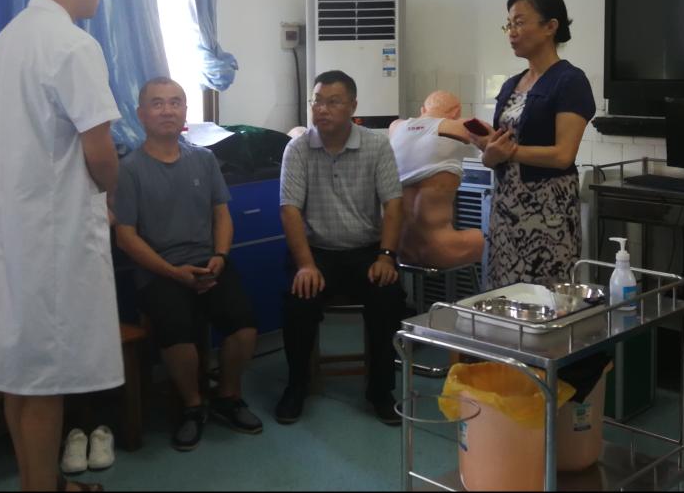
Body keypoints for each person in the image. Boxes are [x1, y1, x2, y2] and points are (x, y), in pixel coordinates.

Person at [0, 0, 120, 492]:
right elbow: (100, 151)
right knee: (45, 380)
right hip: (52, 238)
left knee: (20, 374)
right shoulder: (73, 45)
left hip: (13, 233)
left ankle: (42, 484)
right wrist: (111, 194)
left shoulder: (7, 40)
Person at [115, 77, 262, 451]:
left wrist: (220, 257)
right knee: (177, 333)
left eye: (175, 102)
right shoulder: (128, 169)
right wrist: (172, 273)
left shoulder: (204, 159)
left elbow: (221, 215)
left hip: (209, 264)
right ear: (141, 114)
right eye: (157, 103)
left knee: (244, 327)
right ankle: (193, 406)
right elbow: (126, 236)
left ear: (185, 110)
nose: (167, 110)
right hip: (159, 271)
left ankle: (228, 396)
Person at [276, 70, 407, 426]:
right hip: (315, 252)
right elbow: (289, 210)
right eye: (317, 101)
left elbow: (394, 205)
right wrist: (305, 265)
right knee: (298, 300)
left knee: (389, 298)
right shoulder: (298, 148)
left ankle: (381, 391)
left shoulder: (376, 145)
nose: (322, 109)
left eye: (333, 102)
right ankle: (296, 385)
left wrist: (386, 256)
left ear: (352, 106)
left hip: (366, 251)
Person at [467, 0, 596, 290]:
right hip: (505, 210)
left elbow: (563, 155)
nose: (512, 32)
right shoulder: (512, 85)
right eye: (509, 24)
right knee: (503, 295)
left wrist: (508, 152)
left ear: (550, 27)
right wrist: (488, 152)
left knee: (545, 299)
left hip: (547, 214)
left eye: (520, 23)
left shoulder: (569, 80)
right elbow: (497, 150)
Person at [387, 90, 483, 268]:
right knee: (496, 239)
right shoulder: (458, 127)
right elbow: (493, 136)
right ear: (456, 112)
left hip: (399, 250)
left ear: (422, 110)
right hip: (438, 251)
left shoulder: (396, 127)